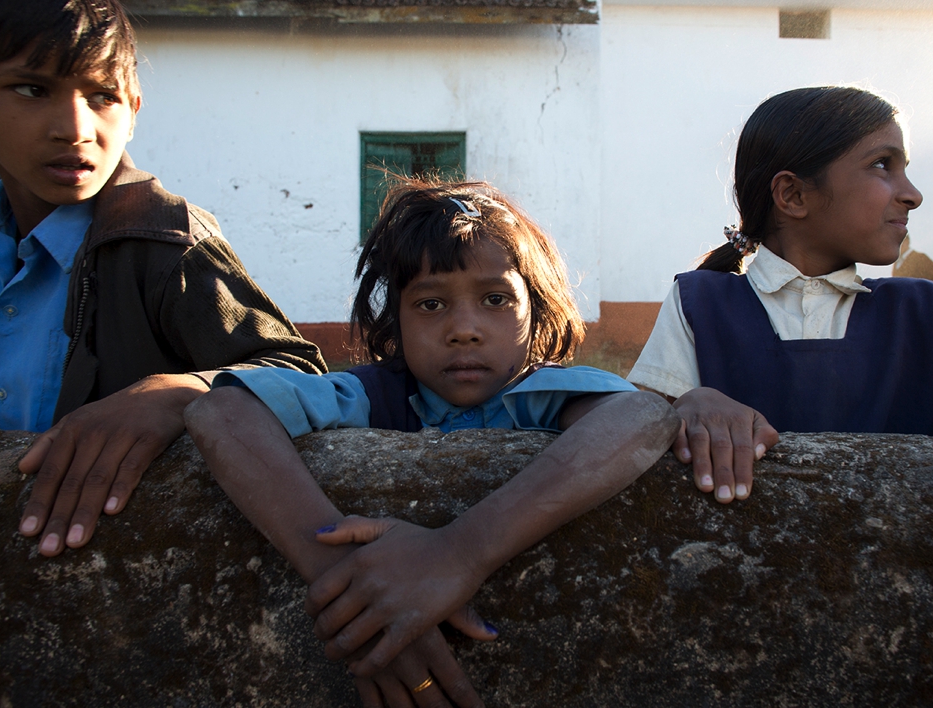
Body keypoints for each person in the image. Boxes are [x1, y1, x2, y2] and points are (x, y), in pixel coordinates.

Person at [185, 177, 680, 707]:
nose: (464, 329)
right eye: (429, 304)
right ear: (394, 317)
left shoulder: (541, 393)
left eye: (495, 299)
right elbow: (223, 411)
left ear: (535, 309)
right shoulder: (374, 395)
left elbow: (643, 415)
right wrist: (357, 590)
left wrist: (456, 554)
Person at [0, 0, 326, 557]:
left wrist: (178, 393)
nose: (75, 129)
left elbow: (303, 373)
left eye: (102, 97)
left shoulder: (166, 243)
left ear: (134, 109)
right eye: (30, 89)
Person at [628, 86, 933, 502]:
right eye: (883, 165)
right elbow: (637, 434)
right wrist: (687, 406)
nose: (913, 195)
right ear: (793, 195)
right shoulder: (699, 302)